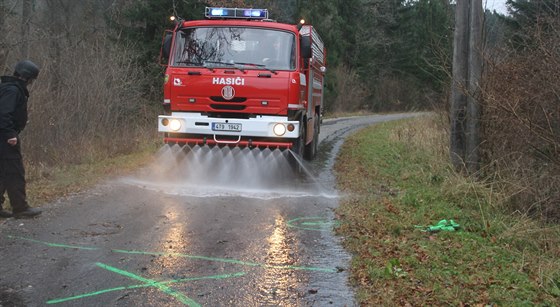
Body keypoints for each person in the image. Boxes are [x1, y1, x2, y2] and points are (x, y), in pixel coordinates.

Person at [0, 60, 42, 218]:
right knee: (14, 172)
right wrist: (10, 134)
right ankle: (20, 208)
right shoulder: (13, 90)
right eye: (31, 79)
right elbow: (3, 114)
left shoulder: (9, 88)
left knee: (3, 172)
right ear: (27, 77)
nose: (31, 83)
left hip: (3, 135)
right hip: (5, 137)